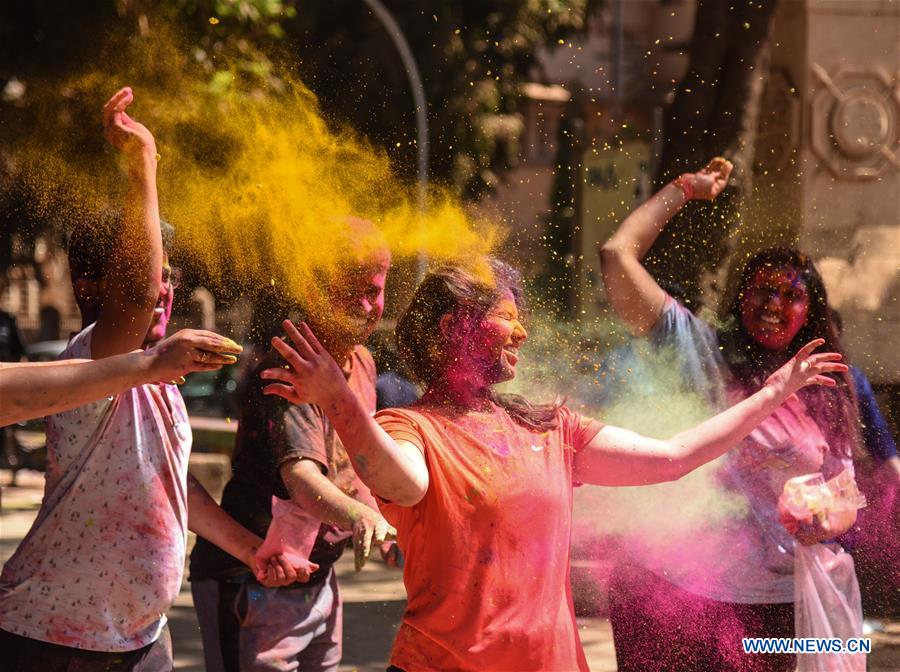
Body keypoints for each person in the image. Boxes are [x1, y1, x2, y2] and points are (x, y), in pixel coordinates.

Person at [257, 255, 845, 672]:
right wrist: (339, 401)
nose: (522, 331)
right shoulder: (411, 426)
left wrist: (775, 391)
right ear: (454, 328)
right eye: (506, 316)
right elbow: (401, 481)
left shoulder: (551, 428)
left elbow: (674, 457)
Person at [0, 87, 298, 672]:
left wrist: (249, 549)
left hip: (140, 640)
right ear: (89, 287)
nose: (162, 289)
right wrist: (143, 165)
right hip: (55, 640)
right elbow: (135, 296)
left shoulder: (159, 377)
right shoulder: (92, 361)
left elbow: (169, 484)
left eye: (170, 276)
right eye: (148, 272)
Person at [598, 158, 863, 671]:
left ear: (810, 313)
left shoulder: (826, 386)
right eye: (764, 288)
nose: (774, 303)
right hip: (675, 593)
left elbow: (845, 493)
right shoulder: (696, 348)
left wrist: (823, 519)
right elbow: (616, 255)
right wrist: (684, 189)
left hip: (777, 608)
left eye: (792, 295)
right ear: (742, 296)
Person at [189, 223, 396, 672]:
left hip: (318, 576)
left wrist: (387, 523)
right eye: (350, 291)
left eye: (373, 291)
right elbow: (301, 479)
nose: (364, 306)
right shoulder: (291, 366)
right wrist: (362, 518)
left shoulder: (362, 361)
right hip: (253, 581)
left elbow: (357, 463)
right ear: (313, 289)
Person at [0, 328, 242, 427]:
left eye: (171, 278)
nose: (164, 289)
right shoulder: (93, 342)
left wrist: (145, 364)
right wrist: (150, 364)